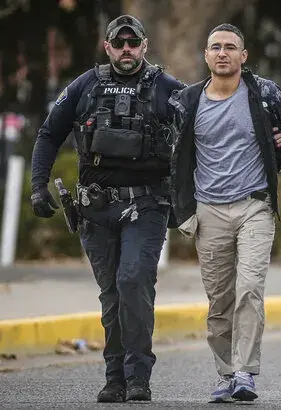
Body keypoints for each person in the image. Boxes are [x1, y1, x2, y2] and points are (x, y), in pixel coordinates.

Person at [30, 15, 185, 403]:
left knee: (133, 281)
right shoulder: (85, 85)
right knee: (112, 294)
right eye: (120, 43)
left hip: (147, 204)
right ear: (108, 47)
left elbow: (203, 131)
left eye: (133, 43)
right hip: (95, 208)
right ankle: (115, 378)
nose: (126, 49)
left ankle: (138, 376)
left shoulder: (168, 88)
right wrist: (37, 187)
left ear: (145, 46)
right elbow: (49, 134)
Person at [168, 23, 281, 403]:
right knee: (219, 301)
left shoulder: (265, 94)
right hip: (209, 210)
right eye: (215, 47)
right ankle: (226, 374)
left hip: (255, 205)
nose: (222, 53)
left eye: (230, 47)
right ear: (206, 55)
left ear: (244, 55)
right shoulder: (187, 102)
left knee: (250, 288)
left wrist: (274, 159)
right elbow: (176, 157)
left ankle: (245, 372)